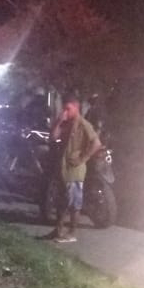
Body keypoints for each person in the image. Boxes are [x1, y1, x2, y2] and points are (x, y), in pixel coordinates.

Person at [47, 95, 102, 244]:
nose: (65, 111)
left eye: (68, 109)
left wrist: (83, 158)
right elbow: (53, 137)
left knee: (73, 203)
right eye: (64, 108)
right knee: (61, 201)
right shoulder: (66, 123)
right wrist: (59, 121)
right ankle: (58, 230)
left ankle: (72, 232)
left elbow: (96, 143)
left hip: (75, 170)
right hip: (63, 168)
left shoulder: (83, 124)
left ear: (76, 108)